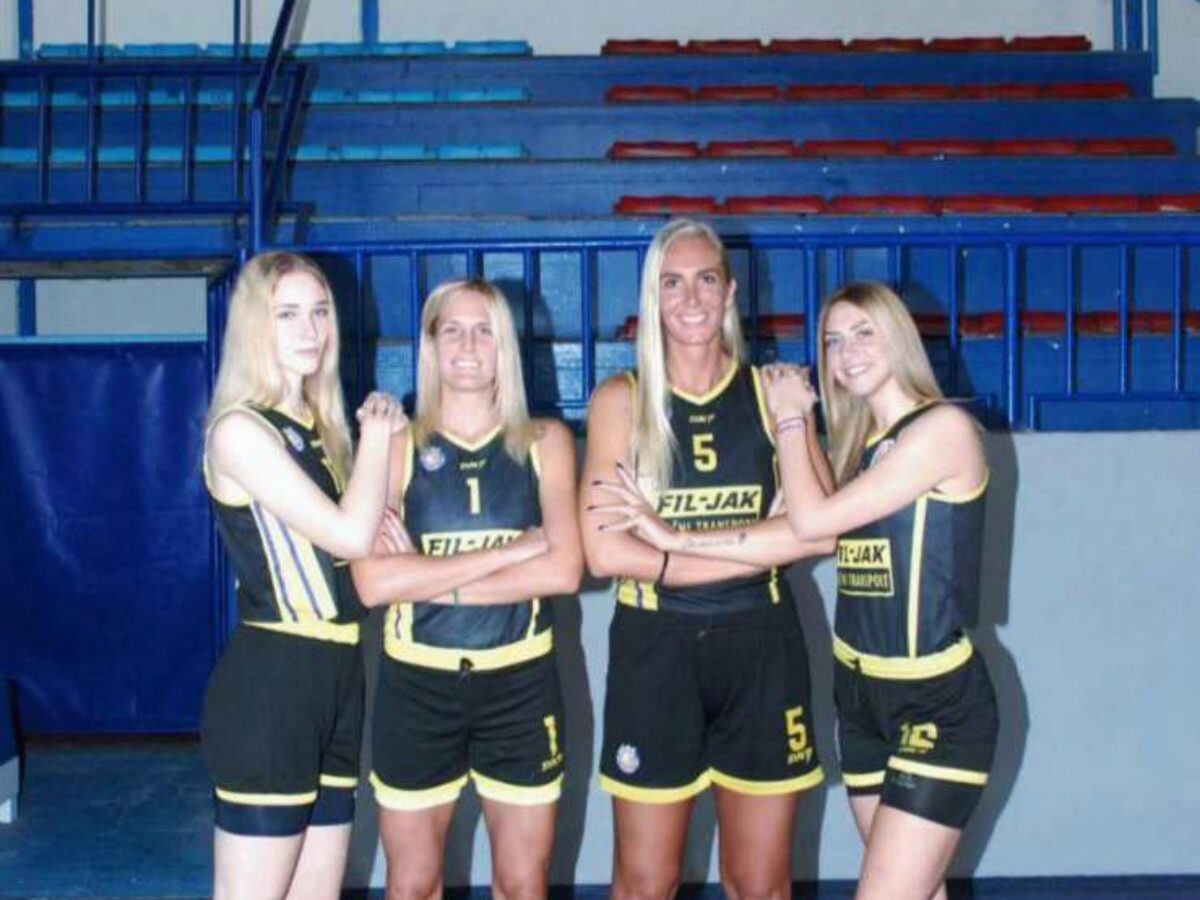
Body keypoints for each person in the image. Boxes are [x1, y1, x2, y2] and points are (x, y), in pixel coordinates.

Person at [582, 218, 834, 900]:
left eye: (705, 280)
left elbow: (821, 533)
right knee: (645, 882)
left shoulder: (775, 394)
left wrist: (671, 544)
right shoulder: (621, 399)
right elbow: (604, 551)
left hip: (761, 648)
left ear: (730, 292)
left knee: (760, 884)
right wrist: (758, 544)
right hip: (655, 648)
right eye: (672, 283)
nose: (691, 299)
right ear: (652, 297)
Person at [762, 281, 1000, 900]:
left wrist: (788, 416)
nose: (848, 352)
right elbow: (813, 530)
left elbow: (810, 520)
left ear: (898, 336)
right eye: (833, 341)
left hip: (936, 702)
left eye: (864, 333)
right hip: (861, 699)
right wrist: (671, 543)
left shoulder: (944, 428)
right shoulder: (861, 446)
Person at [352, 279, 583, 900]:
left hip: (521, 684)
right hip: (417, 686)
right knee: (413, 884)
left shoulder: (546, 442)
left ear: (505, 345)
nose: (468, 345)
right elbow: (372, 583)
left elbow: (563, 572)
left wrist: (425, 577)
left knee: (523, 884)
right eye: (451, 330)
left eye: (484, 330)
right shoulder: (394, 446)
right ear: (429, 346)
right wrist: (508, 553)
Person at [202, 251, 406, 899]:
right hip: (274, 682)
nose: (309, 329)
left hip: (341, 677)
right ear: (253, 327)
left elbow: (356, 552)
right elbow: (347, 533)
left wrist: (391, 534)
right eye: (286, 314)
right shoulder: (239, 430)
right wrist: (380, 436)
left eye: (319, 312)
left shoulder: (325, 431)